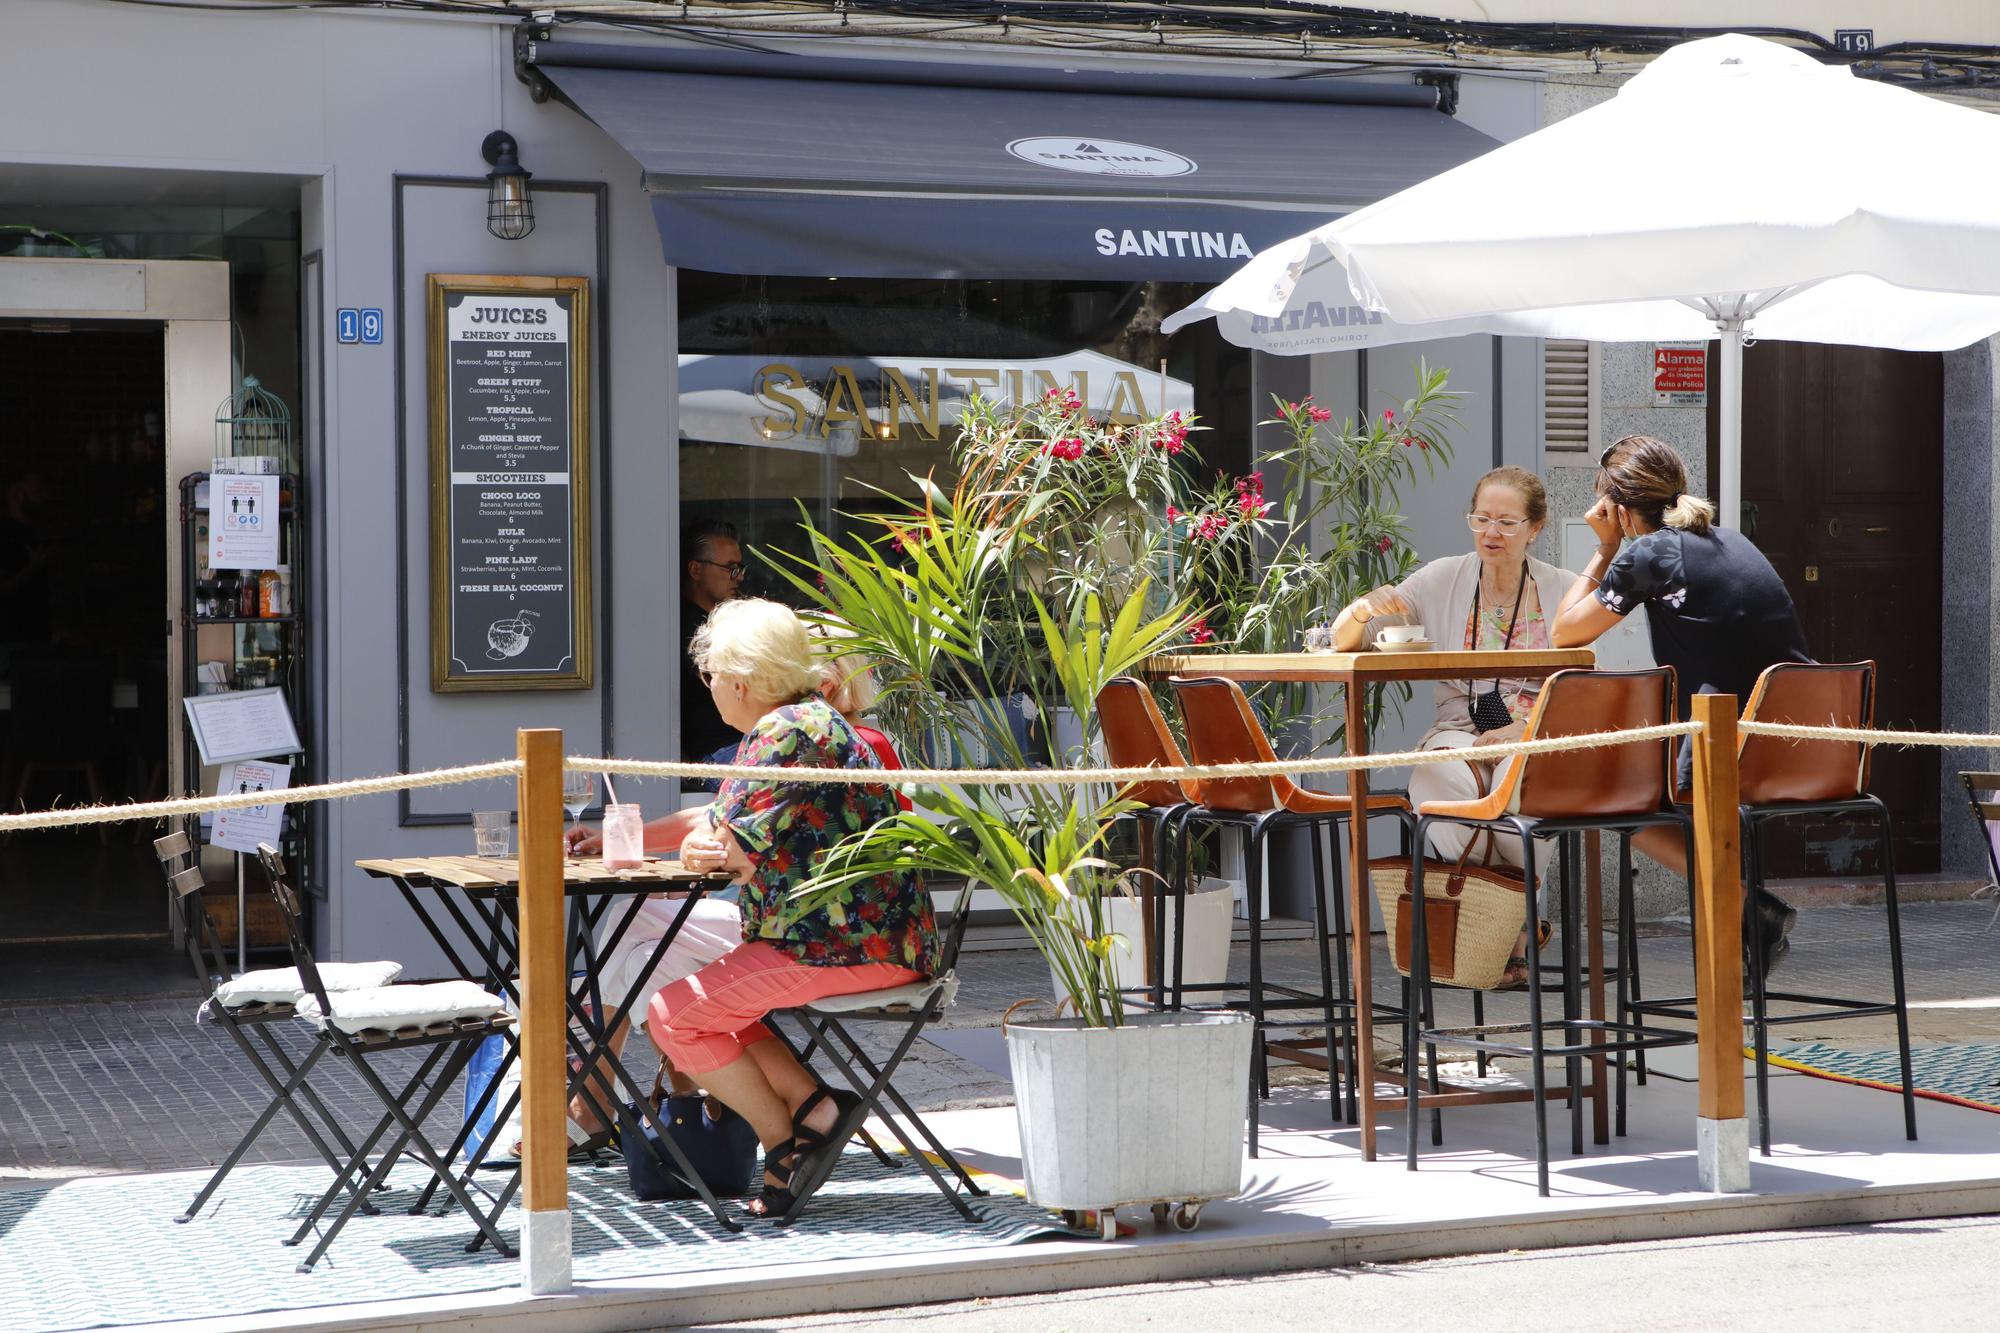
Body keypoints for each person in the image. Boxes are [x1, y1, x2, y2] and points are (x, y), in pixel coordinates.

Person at [654, 598, 938, 1220]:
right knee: (704, 1012)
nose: (709, 692)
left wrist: (700, 848)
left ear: (739, 679)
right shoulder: (810, 721)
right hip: (867, 939)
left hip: (843, 946)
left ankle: (786, 1143)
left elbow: (728, 856)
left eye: (708, 679)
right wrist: (695, 842)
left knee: (672, 1017)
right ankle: (815, 1107)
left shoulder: (783, 732)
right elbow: (730, 837)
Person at [1332, 466, 1569, 986]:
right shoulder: (1442, 578)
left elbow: (1587, 684)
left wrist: (1525, 727)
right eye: (1481, 519)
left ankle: (1498, 931)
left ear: (1536, 527)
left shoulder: (1563, 592)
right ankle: (1514, 929)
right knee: (1436, 782)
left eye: (1507, 522)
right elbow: (1346, 640)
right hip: (1459, 728)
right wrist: (1362, 608)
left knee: (1524, 782)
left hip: (1533, 732)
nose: (1491, 533)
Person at [1553, 435, 1811, 901]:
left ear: (1619, 510)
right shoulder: (1732, 540)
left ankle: (1746, 905)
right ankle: (1748, 916)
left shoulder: (1650, 553)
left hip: (1726, 749)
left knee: (1611, 798)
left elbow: (1565, 632)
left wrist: (1605, 548)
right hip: (1805, 743)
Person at [682, 519, 747, 768]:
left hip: (746, 740)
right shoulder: (683, 626)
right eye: (730, 567)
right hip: (717, 747)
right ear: (696, 570)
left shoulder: (729, 620)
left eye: (740, 567)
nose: (739, 576)